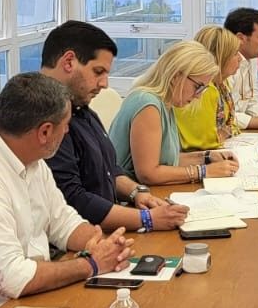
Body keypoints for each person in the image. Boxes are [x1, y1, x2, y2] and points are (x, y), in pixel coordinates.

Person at [0, 72, 136, 308]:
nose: (67, 132)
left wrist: (98, 243)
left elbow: (62, 221)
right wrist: (91, 264)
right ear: (44, 132)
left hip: (20, 303)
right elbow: (13, 278)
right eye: (65, 126)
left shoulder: (31, 159)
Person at [37, 21, 187, 236]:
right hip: (81, 238)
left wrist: (136, 193)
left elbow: (109, 170)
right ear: (69, 61)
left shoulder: (81, 107)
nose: (105, 84)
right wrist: (146, 219)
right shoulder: (45, 117)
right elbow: (72, 199)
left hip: (108, 229)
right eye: (98, 72)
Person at [108, 41, 240, 186]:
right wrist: (204, 171)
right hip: (127, 199)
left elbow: (167, 160)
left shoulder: (165, 103)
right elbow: (148, 174)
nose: (198, 96)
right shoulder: (147, 104)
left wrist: (205, 157)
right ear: (176, 75)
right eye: (198, 87)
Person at [176, 25, 244, 151]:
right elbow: (204, 143)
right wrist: (223, 133)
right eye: (235, 53)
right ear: (220, 58)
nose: (240, 58)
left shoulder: (221, 85)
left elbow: (231, 126)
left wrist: (225, 132)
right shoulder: (204, 91)